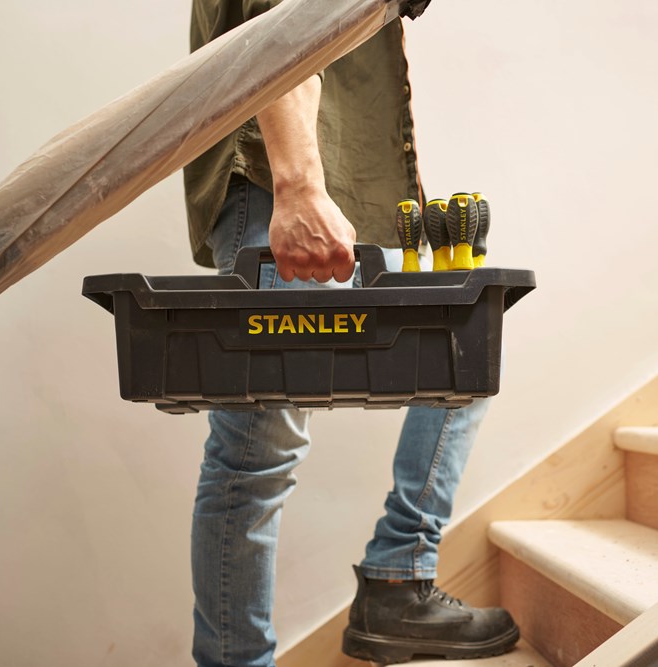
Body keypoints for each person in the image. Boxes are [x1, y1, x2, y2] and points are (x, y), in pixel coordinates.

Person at [183, 2, 519, 665]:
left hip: (361, 194)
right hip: (280, 182)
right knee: (257, 449)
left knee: (464, 349)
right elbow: (278, 28)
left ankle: (399, 578)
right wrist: (298, 187)